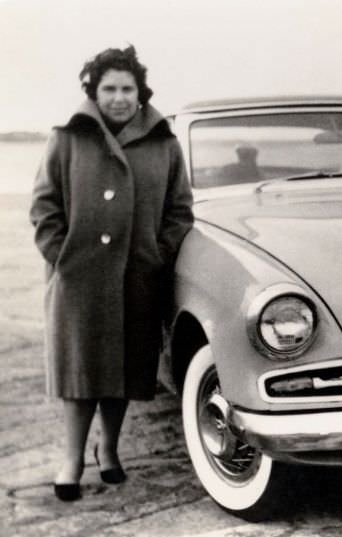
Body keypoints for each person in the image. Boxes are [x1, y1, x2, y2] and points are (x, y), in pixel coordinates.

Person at [29, 45, 194, 501]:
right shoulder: (67, 138)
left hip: (136, 277)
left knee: (121, 372)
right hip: (78, 281)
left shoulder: (164, 143)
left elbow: (179, 211)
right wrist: (62, 257)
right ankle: (71, 459)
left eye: (128, 88)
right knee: (80, 374)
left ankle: (111, 451)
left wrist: (156, 254)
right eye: (109, 89)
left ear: (141, 93)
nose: (119, 97)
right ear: (93, 92)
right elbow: (44, 207)